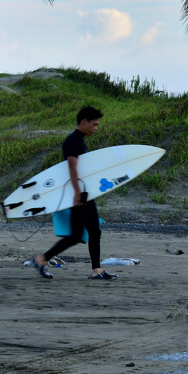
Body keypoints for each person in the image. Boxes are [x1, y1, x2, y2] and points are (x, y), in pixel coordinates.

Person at [31, 106, 117, 281]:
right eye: (94, 124)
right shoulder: (73, 141)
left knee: (94, 231)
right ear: (84, 122)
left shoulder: (80, 140)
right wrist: (77, 193)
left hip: (84, 193)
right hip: (77, 194)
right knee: (76, 235)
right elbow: (72, 167)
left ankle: (97, 270)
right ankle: (42, 259)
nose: (96, 128)